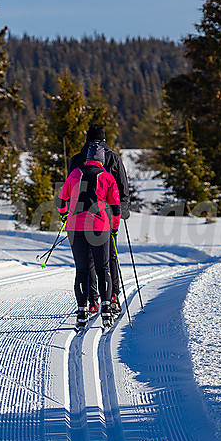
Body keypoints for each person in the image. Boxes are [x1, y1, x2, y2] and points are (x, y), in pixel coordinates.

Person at [56, 143, 121, 329]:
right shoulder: (107, 177)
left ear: (87, 159)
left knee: (82, 270)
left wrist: (63, 213)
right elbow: (116, 208)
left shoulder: (75, 174)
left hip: (75, 228)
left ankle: (82, 312)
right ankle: (106, 311)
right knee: (103, 269)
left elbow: (61, 200)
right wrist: (114, 229)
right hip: (99, 227)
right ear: (102, 160)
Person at [67, 122, 130, 315]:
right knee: (109, 257)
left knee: (87, 262)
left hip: (80, 217)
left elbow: (70, 189)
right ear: (104, 140)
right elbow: (122, 187)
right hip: (108, 216)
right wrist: (123, 212)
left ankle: (92, 300)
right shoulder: (114, 159)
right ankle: (112, 297)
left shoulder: (77, 160)